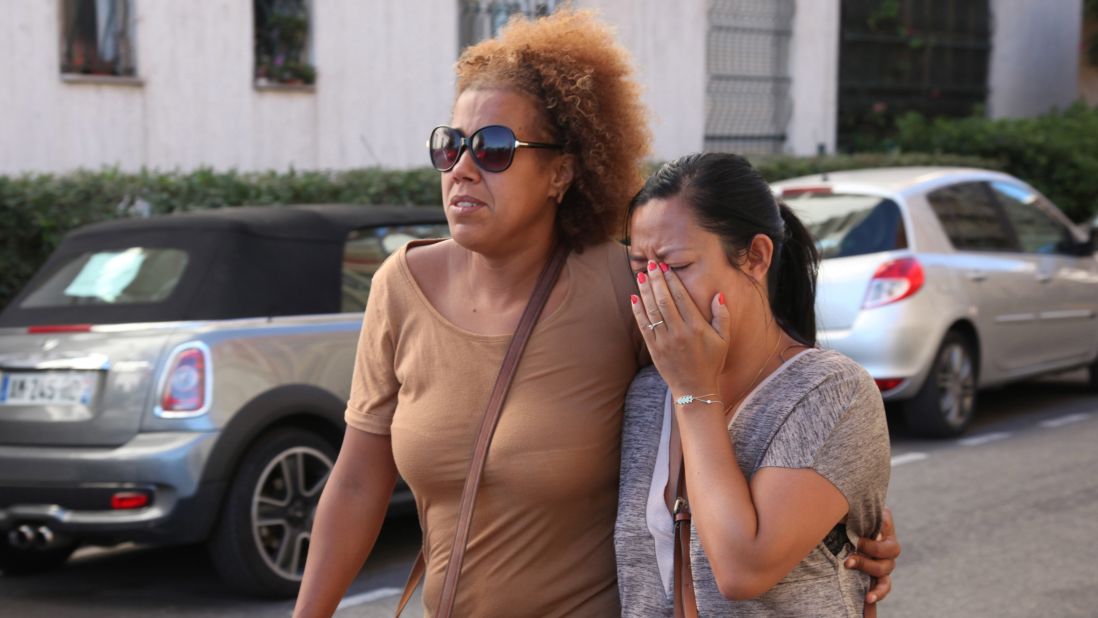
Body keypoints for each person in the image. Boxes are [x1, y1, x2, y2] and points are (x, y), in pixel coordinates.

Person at [293, 11, 897, 618]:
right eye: (449, 145)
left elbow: (734, 392)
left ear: (561, 172)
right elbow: (355, 483)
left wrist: (846, 525)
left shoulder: (625, 284)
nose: (462, 168)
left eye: (495, 148)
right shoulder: (401, 285)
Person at [616, 152, 893, 616]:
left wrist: (695, 393)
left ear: (756, 257)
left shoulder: (832, 391)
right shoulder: (646, 393)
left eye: (676, 266)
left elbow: (742, 570)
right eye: (640, 267)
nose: (654, 290)